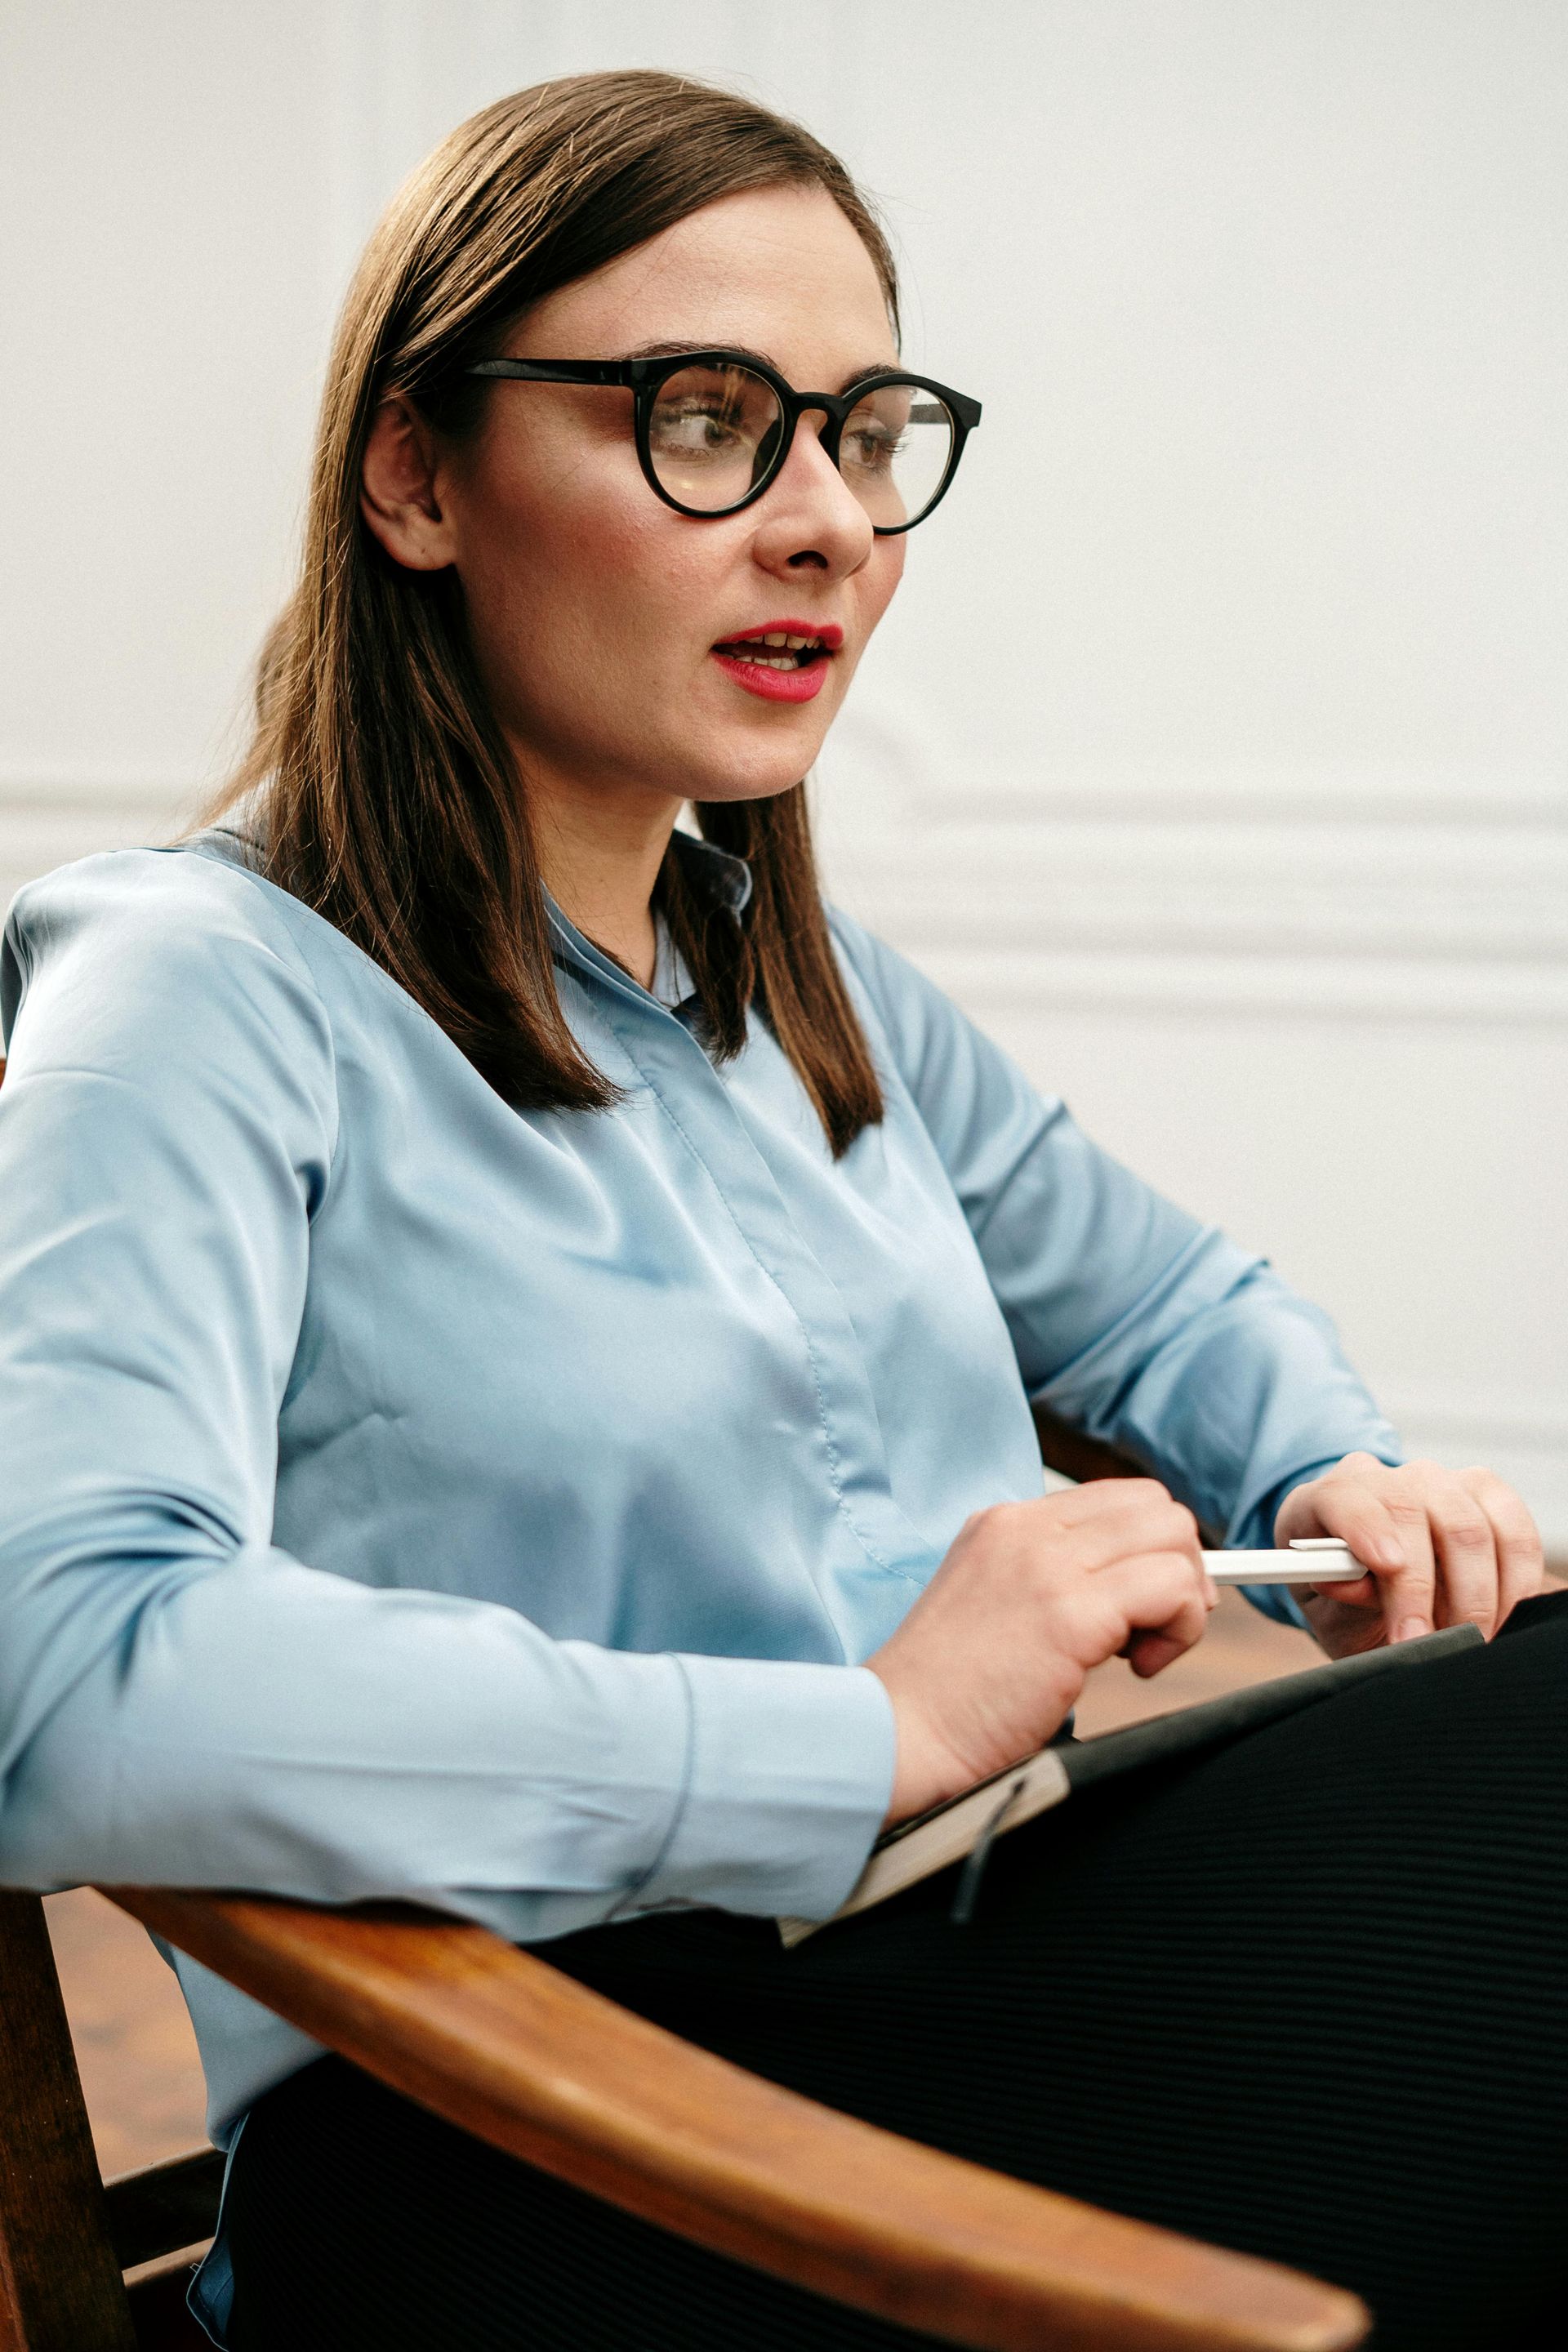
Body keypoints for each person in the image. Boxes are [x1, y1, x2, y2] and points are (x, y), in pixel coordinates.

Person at [0, 67, 1560, 2352]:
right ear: (416, 474)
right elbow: (56, 1680)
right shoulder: (205, 996)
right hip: (545, 2123)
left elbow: (1168, 1303)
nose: (826, 520)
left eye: (861, 430)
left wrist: (1328, 1468)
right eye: (707, 418)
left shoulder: (803, 988)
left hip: (963, 1958)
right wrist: (867, 1731)